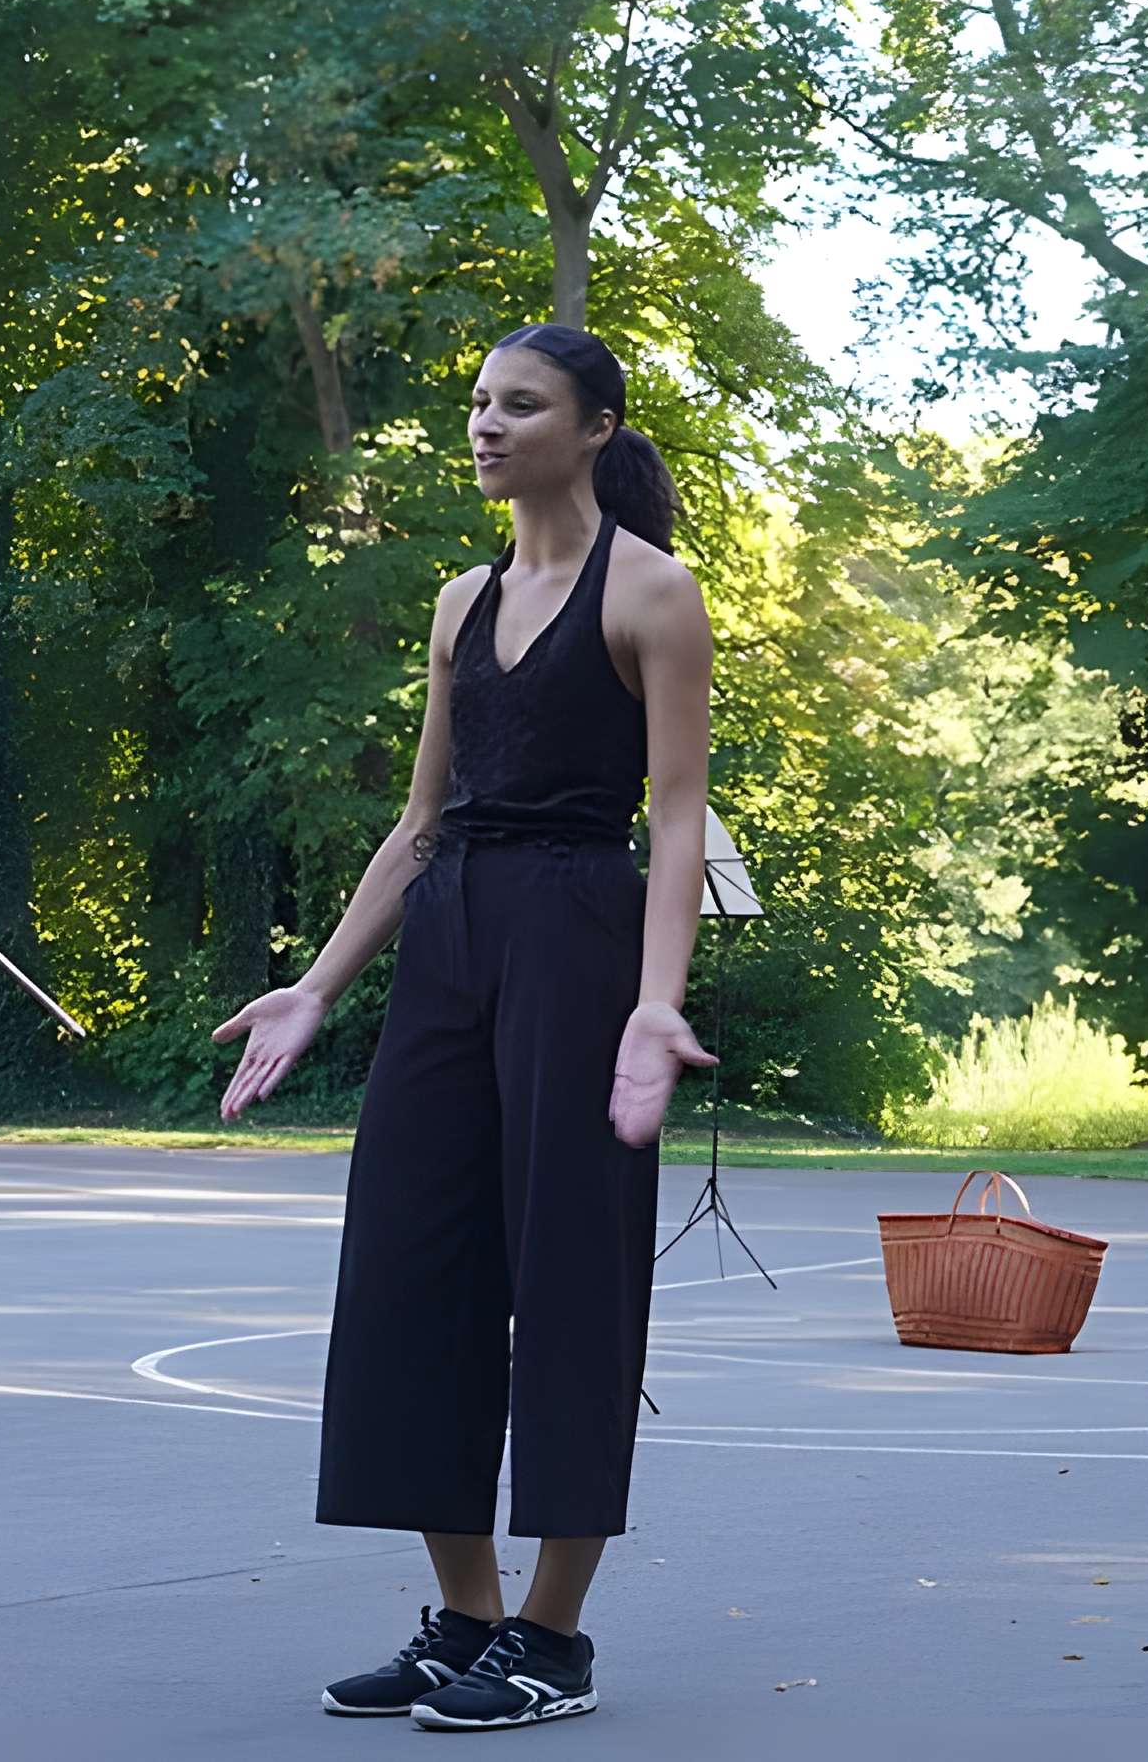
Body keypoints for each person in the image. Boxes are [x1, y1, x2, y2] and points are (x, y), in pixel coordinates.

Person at [215, 323, 717, 1731]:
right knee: (410, 1265)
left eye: (522, 405)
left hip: (577, 937)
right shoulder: (456, 601)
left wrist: (653, 999)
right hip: (450, 946)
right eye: (479, 402)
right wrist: (318, 984)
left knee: (571, 1280)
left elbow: (677, 819)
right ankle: (466, 1618)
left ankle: (553, 1640)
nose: (488, 427)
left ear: (596, 426)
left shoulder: (654, 595)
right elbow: (421, 821)